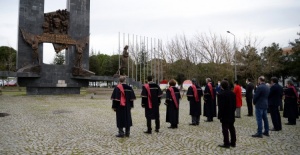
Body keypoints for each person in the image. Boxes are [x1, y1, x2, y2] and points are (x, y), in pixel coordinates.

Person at [218, 80, 237, 148]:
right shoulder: (232, 93)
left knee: (225, 129)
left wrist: (219, 115)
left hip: (225, 114)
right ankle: (233, 142)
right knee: (232, 128)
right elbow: (235, 105)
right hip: (231, 113)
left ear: (221, 86)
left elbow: (221, 106)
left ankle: (226, 143)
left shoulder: (221, 94)